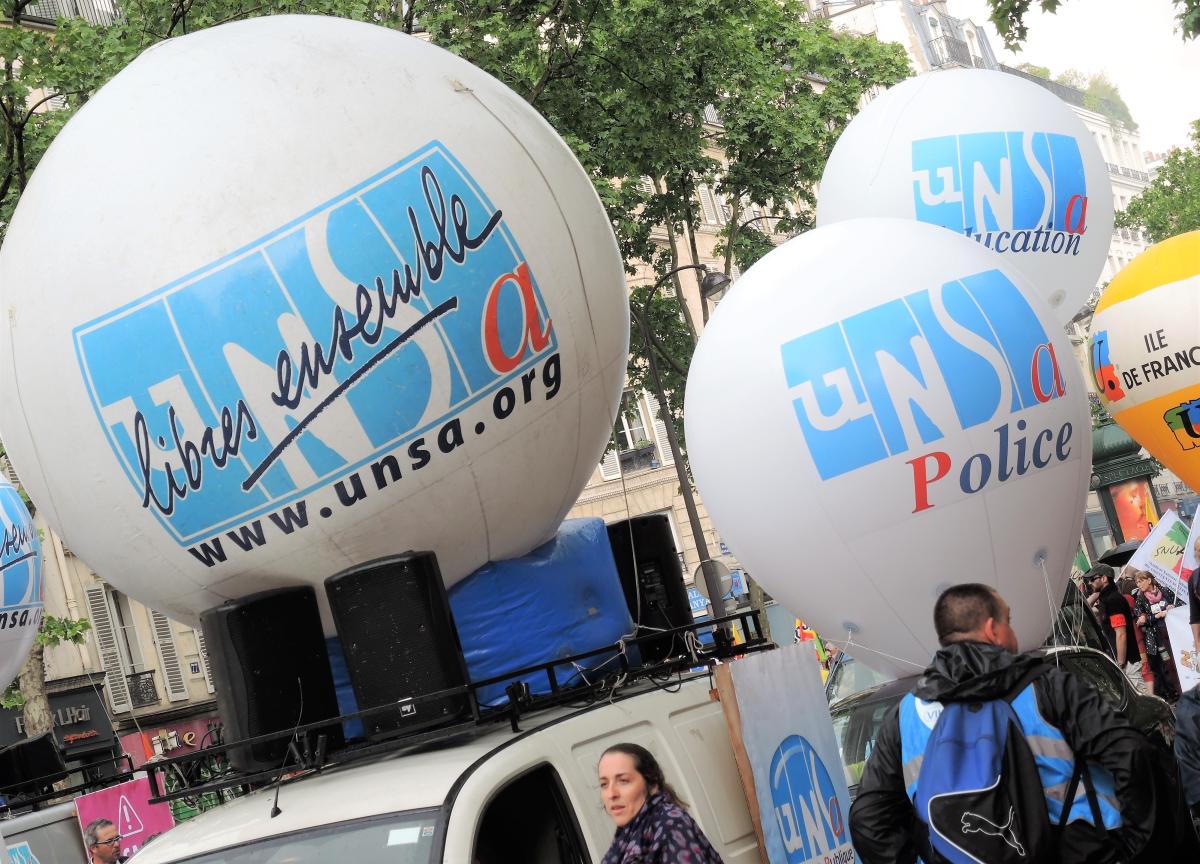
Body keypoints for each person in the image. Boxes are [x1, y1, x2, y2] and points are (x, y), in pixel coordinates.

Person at [848, 583, 1161, 863]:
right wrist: (1131, 843)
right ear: (991, 630)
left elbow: (868, 820)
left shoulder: (904, 717)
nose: (1013, 632)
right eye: (1008, 621)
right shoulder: (1048, 687)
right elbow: (1130, 751)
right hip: (1080, 850)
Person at [597, 742, 723, 864]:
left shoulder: (670, 824)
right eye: (604, 784)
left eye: (623, 781)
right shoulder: (631, 831)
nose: (611, 794)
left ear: (652, 784)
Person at [1133, 570, 1180, 701]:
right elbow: (1140, 619)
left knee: (1175, 659)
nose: (1139, 584)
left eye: (1141, 580)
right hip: (1156, 637)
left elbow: (1179, 604)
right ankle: (1172, 692)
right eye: (1137, 582)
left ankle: (1179, 687)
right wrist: (1156, 616)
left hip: (1171, 632)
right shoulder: (1140, 598)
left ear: (1149, 580)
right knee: (1165, 663)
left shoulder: (1165, 591)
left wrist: (1172, 607)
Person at [1090, 564, 1131, 668]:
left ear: (1104, 578)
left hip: (1127, 662)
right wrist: (1098, 592)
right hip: (1119, 659)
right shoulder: (1106, 599)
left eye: (1092, 579)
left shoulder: (1113, 600)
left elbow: (1121, 634)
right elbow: (1086, 608)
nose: (1090, 583)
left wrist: (1121, 663)